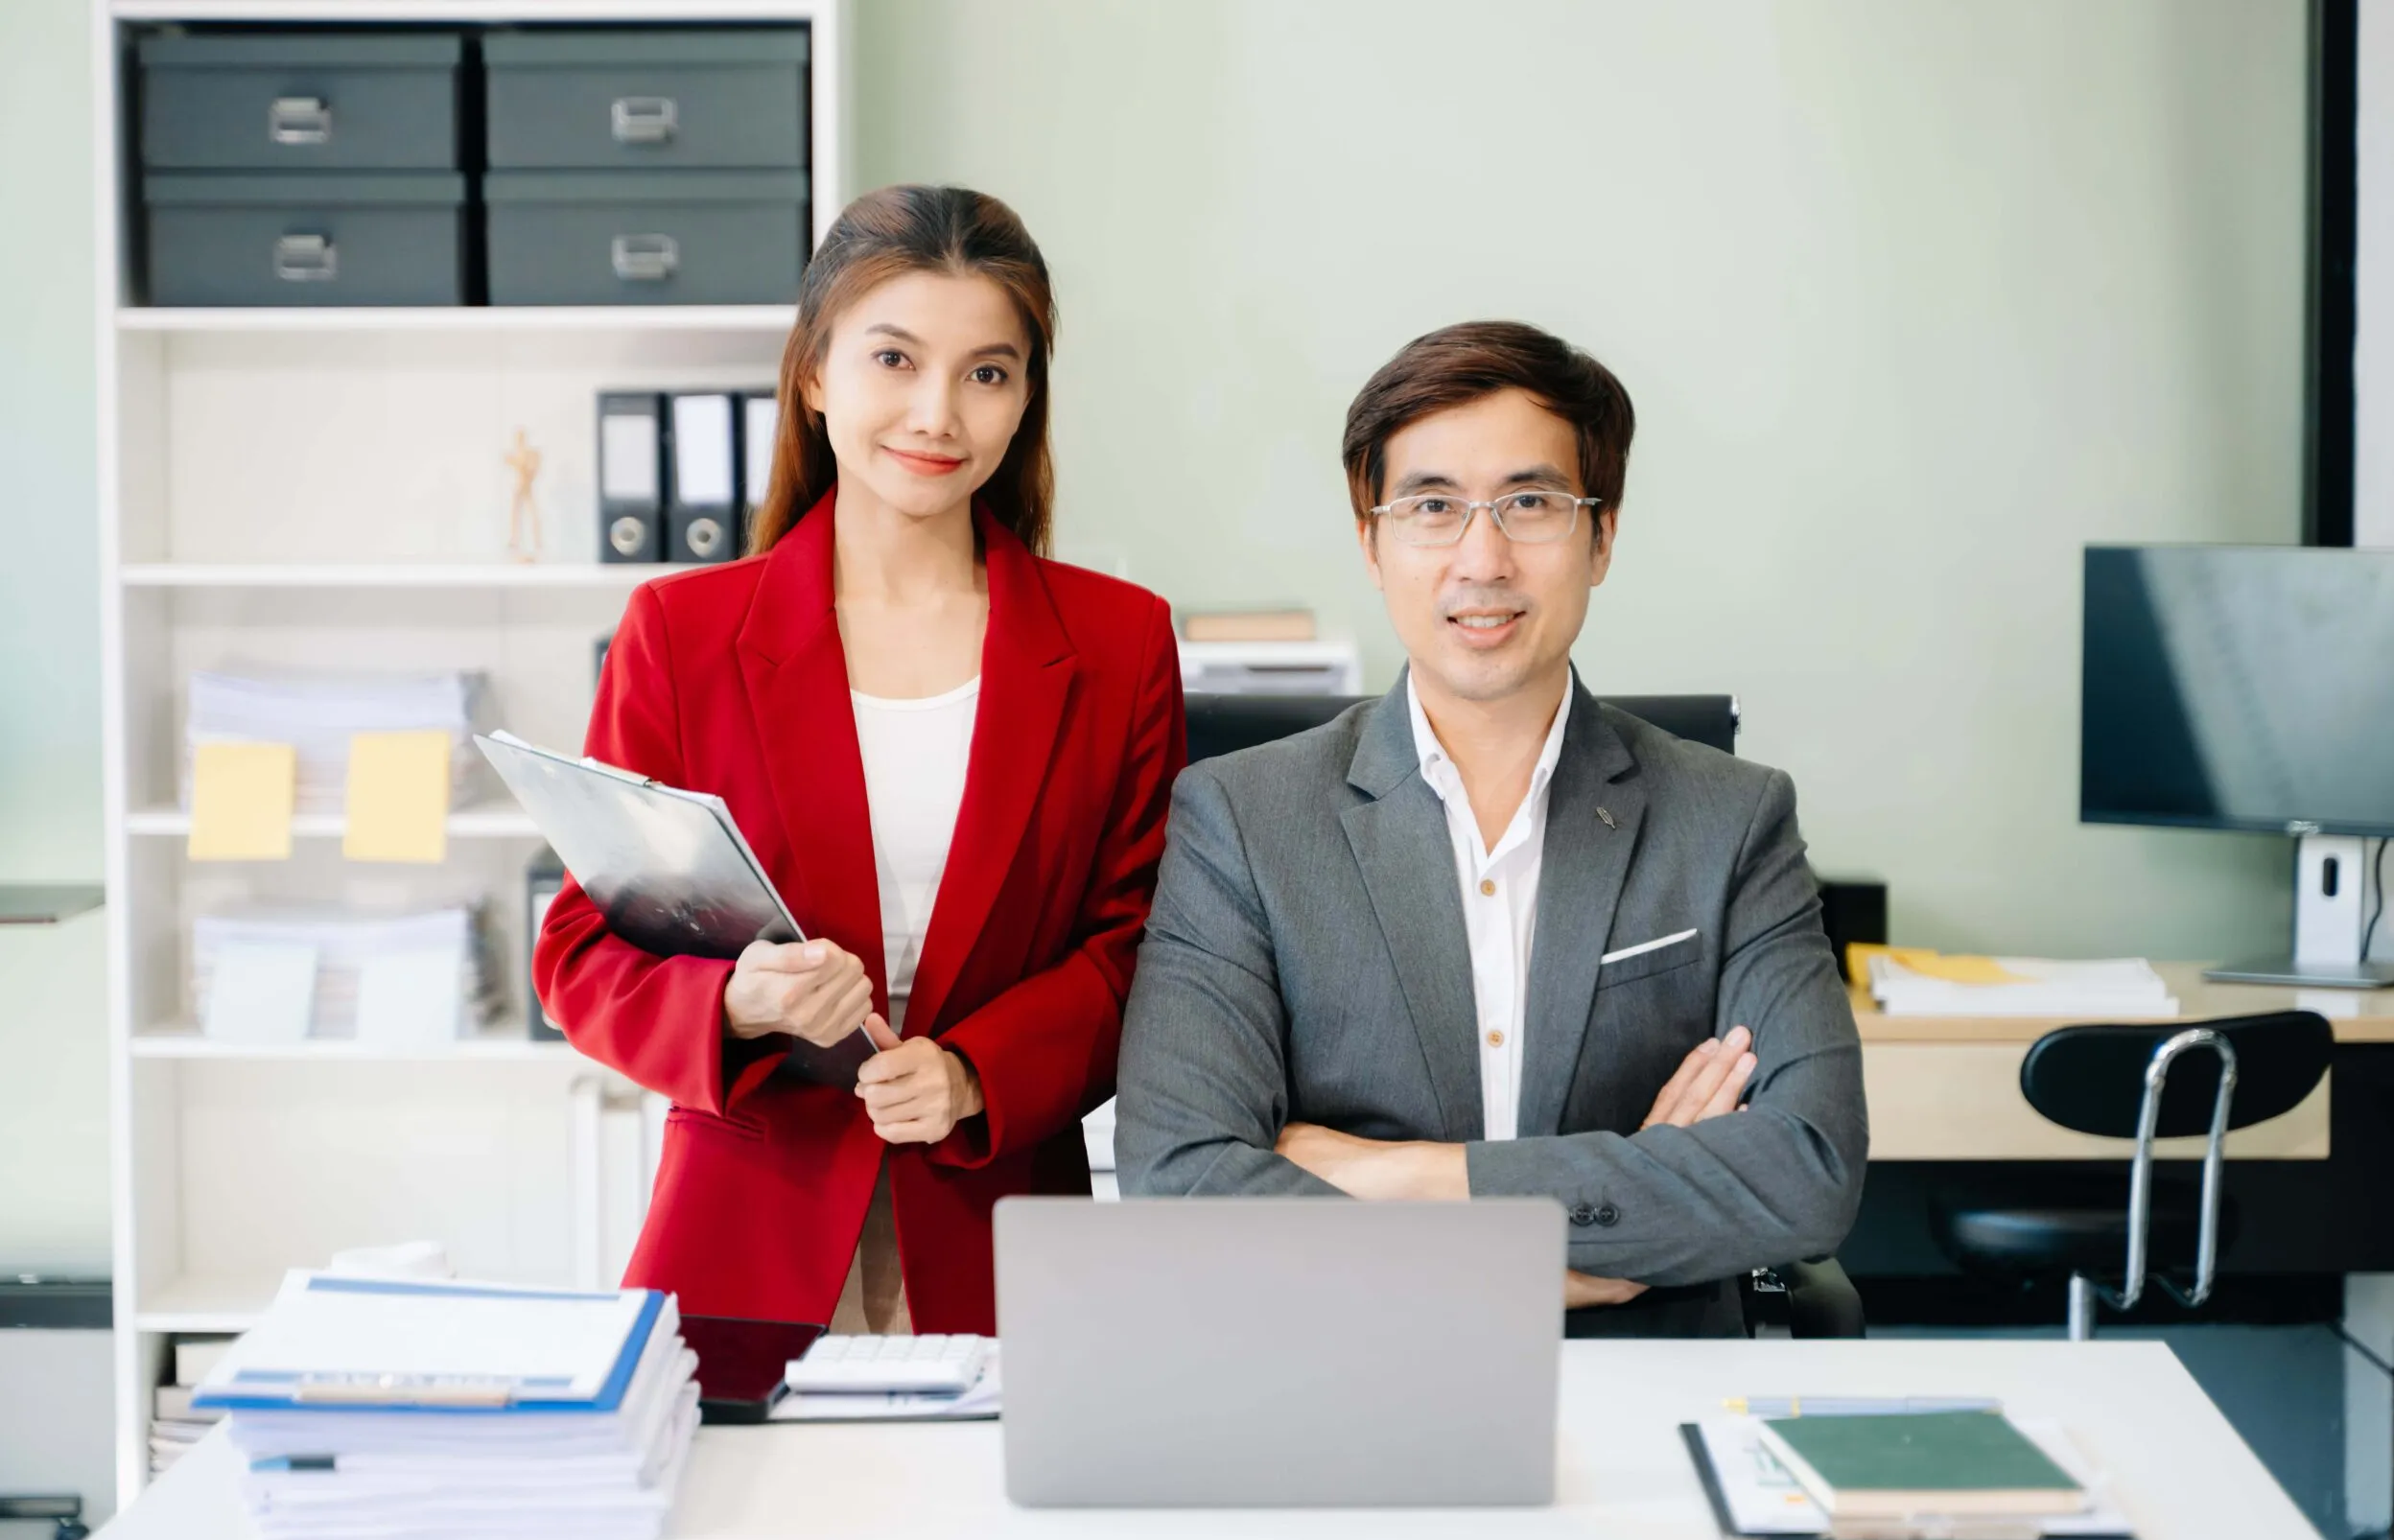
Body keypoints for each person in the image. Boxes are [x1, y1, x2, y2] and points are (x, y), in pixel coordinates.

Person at [1114, 320, 1865, 1337]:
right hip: (1345, 1378)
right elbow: (1182, 1180)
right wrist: (1558, 1250)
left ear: (1600, 537)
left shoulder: (1731, 818)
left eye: (1530, 503)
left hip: (1647, 1383)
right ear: (1370, 539)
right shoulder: (1241, 819)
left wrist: (1408, 1177)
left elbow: (1805, 1174)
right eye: (1431, 506)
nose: (1483, 557)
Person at [538, 186, 1185, 1336]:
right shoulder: (680, 635)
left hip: (1004, 1231)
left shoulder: (1118, 642)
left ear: (1026, 398)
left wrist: (979, 1072)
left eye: (988, 372)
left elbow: (1142, 950)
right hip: (747, 1227)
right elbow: (582, 953)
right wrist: (731, 1002)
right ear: (815, 373)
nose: (937, 413)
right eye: (895, 359)